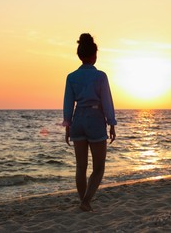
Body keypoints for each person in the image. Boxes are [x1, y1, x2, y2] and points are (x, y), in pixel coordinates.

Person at [63, 33, 117, 212]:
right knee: (99, 167)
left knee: (81, 166)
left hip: (78, 119)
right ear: (94, 55)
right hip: (95, 119)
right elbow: (107, 101)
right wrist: (112, 123)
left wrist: (67, 125)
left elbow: (68, 103)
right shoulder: (101, 76)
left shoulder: (71, 77)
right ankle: (86, 201)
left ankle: (83, 201)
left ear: (80, 56)